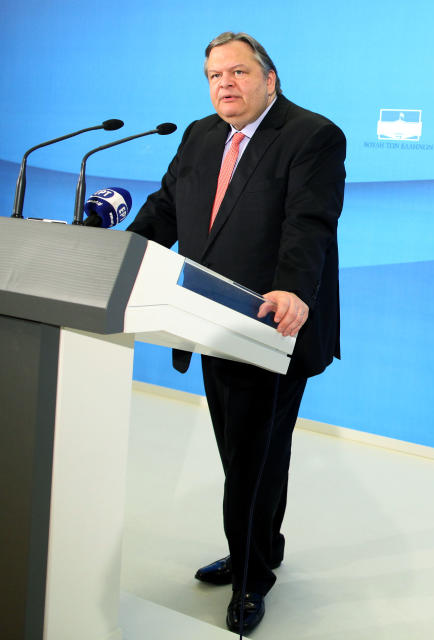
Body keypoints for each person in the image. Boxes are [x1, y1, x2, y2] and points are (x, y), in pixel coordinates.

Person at [127, 31, 345, 634]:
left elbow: (310, 220)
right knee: (244, 454)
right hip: (207, 324)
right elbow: (167, 207)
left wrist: (295, 289)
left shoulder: (311, 135)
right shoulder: (201, 134)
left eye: (239, 72)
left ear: (269, 79)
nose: (225, 83)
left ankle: (252, 578)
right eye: (214, 75)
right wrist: (118, 258)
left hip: (272, 327)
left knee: (252, 459)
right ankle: (260, 547)